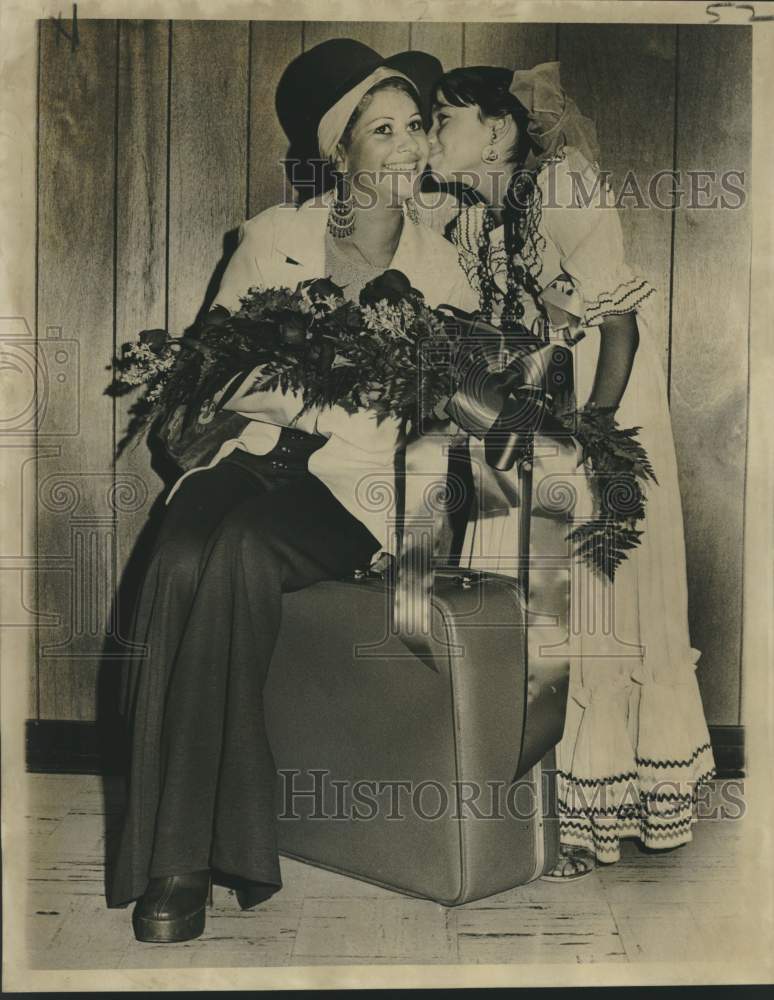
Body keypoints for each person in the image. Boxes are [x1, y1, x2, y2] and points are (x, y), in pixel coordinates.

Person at [106, 38, 477, 944]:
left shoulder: (444, 266)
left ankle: (181, 865)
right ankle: (186, 848)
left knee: (232, 552)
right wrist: (320, 387)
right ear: (338, 154)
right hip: (250, 457)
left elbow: (444, 416)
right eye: (380, 131)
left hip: (358, 488)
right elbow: (219, 376)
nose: (407, 148)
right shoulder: (272, 238)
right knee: (180, 556)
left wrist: (336, 398)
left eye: (415, 128)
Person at [422, 62, 716, 879]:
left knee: (592, 587)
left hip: (600, 402)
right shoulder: (467, 223)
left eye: (445, 117)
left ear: (500, 128)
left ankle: (592, 812)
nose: (432, 133)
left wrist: (592, 435)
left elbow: (614, 325)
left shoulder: (563, 184)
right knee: (522, 586)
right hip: (525, 409)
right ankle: (526, 803)